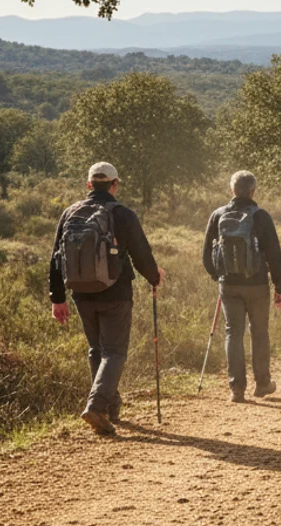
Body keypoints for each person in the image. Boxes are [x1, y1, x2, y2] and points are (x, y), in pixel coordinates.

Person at [49, 162, 162, 436]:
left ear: (89, 185)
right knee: (115, 352)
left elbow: (55, 258)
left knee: (96, 350)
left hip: (80, 294)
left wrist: (58, 299)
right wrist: (154, 278)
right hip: (116, 293)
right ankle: (97, 406)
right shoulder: (122, 214)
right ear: (115, 185)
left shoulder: (70, 213)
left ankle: (110, 409)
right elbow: (140, 253)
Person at [201, 171, 281, 404]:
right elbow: (274, 253)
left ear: (232, 191)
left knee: (233, 333)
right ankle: (262, 384)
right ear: (253, 192)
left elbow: (206, 253)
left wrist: (217, 275)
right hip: (257, 284)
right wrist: (280, 287)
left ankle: (236, 389)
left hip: (228, 285)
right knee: (259, 332)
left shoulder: (218, 215)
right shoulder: (261, 217)